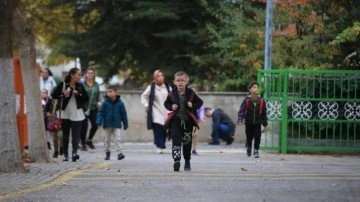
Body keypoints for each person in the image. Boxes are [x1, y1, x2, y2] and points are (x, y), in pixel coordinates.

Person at [164, 71, 203, 172]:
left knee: (187, 142)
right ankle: (176, 160)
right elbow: (166, 103)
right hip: (175, 120)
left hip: (187, 121)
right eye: (178, 81)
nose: (180, 83)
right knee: (176, 141)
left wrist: (192, 105)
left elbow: (200, 102)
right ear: (174, 82)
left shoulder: (191, 93)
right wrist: (171, 106)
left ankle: (187, 162)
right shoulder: (172, 94)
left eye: (182, 80)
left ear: (186, 82)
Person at [51, 68, 89, 162]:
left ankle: (74, 153)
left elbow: (86, 98)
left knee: (76, 134)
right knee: (65, 134)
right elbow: (54, 95)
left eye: (80, 75)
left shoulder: (80, 86)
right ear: (72, 75)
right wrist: (63, 94)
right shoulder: (63, 84)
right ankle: (65, 155)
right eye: (78, 75)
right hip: (65, 113)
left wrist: (78, 94)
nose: (80, 77)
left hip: (77, 113)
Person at [141, 70, 171, 154]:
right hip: (155, 110)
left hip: (166, 111)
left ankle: (161, 143)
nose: (160, 77)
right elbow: (143, 96)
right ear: (155, 77)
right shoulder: (152, 87)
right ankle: (159, 145)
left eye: (162, 76)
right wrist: (146, 105)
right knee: (158, 128)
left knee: (164, 129)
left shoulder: (167, 87)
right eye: (158, 76)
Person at [97, 85, 128, 160]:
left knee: (117, 139)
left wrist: (125, 123)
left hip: (116, 124)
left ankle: (119, 153)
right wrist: (99, 120)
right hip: (107, 124)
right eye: (108, 92)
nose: (109, 93)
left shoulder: (120, 103)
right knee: (107, 140)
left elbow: (124, 114)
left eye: (111, 91)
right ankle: (107, 153)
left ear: (116, 92)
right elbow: (100, 112)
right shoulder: (105, 103)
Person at [237, 81, 268, 158]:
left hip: (258, 122)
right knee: (249, 137)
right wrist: (240, 118)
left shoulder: (261, 100)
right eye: (254, 87)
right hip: (248, 122)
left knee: (257, 136)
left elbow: (264, 111)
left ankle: (256, 150)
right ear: (250, 89)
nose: (256, 89)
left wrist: (264, 121)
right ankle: (249, 147)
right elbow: (242, 110)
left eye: (257, 87)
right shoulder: (246, 100)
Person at [80, 68, 102, 151]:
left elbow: (99, 95)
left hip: (93, 108)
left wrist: (99, 101)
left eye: (92, 73)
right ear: (86, 74)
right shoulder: (82, 84)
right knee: (84, 126)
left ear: (94, 74)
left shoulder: (96, 84)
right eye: (89, 73)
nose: (90, 74)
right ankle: (83, 144)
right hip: (84, 108)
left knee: (96, 124)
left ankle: (89, 140)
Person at [43, 89, 63, 158]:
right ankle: (56, 151)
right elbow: (45, 110)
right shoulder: (50, 101)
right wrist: (47, 114)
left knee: (60, 135)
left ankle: (61, 147)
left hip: (61, 120)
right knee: (55, 136)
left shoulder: (62, 101)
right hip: (53, 120)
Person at [187, 84, 205, 155]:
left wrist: (202, 117)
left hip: (195, 118)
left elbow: (201, 109)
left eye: (195, 91)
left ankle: (194, 149)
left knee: (195, 134)